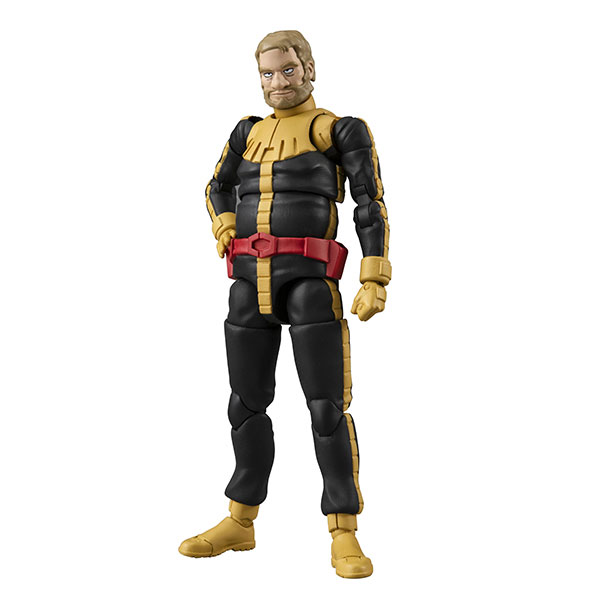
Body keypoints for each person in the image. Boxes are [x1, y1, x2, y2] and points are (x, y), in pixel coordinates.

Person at [179, 30, 391, 579]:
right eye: (267, 74)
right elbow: (216, 186)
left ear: (309, 69)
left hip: (309, 282)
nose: (278, 83)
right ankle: (240, 519)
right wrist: (225, 223)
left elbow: (370, 203)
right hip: (247, 282)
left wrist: (374, 275)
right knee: (245, 405)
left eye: (288, 70)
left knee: (326, 408)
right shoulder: (246, 133)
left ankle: (343, 530)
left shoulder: (338, 130)